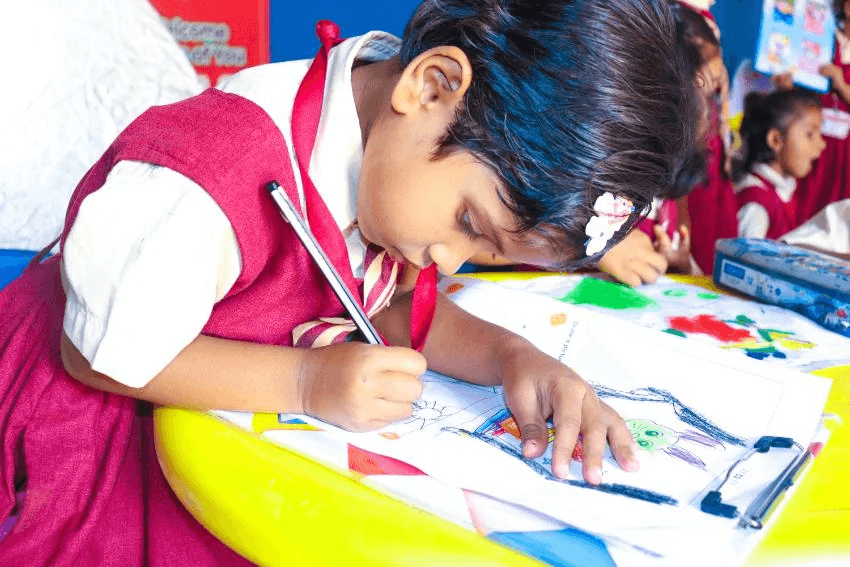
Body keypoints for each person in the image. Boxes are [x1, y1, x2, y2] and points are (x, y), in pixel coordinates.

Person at [0, 0, 699, 564]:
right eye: (468, 222)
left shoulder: (393, 170)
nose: (452, 262)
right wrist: (308, 382)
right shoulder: (210, 172)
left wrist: (516, 358)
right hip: (90, 436)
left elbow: (392, 307)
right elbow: (98, 354)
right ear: (430, 86)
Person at [598, 0, 721, 285]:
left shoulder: (667, 175)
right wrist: (597, 248)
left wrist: (676, 264)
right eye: (705, 87)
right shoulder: (600, 160)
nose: (712, 109)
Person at [732, 89, 826, 239]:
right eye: (810, 134)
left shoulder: (783, 192)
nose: (822, 144)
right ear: (776, 139)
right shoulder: (757, 206)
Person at [794, 0, 850, 224]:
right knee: (803, 203)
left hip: (845, 155)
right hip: (813, 139)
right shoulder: (822, 38)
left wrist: (841, 84)